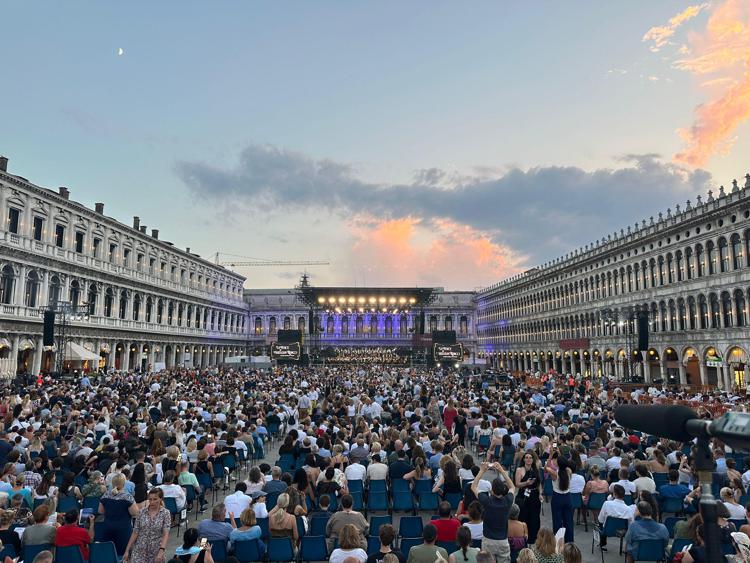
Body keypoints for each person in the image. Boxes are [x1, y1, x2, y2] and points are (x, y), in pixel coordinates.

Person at [472, 461, 515, 563]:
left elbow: (473, 486)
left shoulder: (486, 500)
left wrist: (482, 471)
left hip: (488, 540)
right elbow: (512, 487)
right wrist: (501, 470)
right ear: (503, 489)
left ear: (492, 489)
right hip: (503, 540)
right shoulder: (508, 500)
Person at [123, 487, 171, 563]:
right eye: (150, 499)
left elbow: (166, 534)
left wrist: (161, 551)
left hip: (156, 550)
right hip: (139, 550)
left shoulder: (165, 513)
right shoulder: (141, 512)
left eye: (155, 499)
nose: (152, 502)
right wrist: (127, 550)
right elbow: (135, 532)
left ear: (161, 499)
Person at [99, 473, 139, 556]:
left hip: (108, 528)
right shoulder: (128, 497)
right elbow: (135, 513)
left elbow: (100, 511)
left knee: (109, 554)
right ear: (124, 484)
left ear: (112, 483)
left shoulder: (105, 495)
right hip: (123, 530)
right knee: (124, 554)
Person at [544, 452, 574, 543]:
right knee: (568, 521)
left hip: (557, 497)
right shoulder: (569, 471)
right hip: (568, 497)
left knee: (557, 521)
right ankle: (569, 542)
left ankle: (557, 542)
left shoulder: (554, 473)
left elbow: (546, 468)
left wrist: (550, 457)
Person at [597, 484, 636, 551]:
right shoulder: (628, 509)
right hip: (622, 532)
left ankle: (603, 544)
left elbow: (600, 519)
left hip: (607, 530)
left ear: (614, 494)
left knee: (601, 523)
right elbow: (631, 523)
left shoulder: (607, 503)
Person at [514, 451, 542, 544]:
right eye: (526, 457)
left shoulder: (535, 469)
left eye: (530, 457)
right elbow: (517, 484)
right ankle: (523, 537)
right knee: (524, 516)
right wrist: (526, 483)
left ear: (533, 459)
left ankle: (533, 538)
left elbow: (539, 484)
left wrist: (540, 494)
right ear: (524, 459)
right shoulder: (519, 470)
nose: (528, 459)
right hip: (524, 495)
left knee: (534, 517)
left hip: (534, 495)